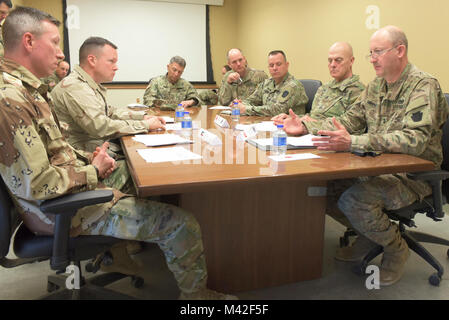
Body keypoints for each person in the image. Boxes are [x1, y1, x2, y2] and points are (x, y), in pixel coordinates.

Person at [0, 6, 236, 300]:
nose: (61, 53)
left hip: (67, 191)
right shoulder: (10, 99)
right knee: (182, 225)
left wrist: (90, 161)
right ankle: (196, 299)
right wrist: (93, 170)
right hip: (62, 210)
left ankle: (122, 252)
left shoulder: (27, 90)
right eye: (55, 42)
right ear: (28, 41)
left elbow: (55, 151)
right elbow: (39, 184)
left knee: (140, 178)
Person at [281, 26, 449, 286]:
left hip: (415, 174)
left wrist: (355, 142)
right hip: (376, 165)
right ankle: (370, 235)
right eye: (370, 53)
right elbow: (350, 120)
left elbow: (414, 140)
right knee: (323, 190)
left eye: (378, 52)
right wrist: (305, 126)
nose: (372, 59)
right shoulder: (375, 87)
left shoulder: (422, 85)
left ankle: (396, 248)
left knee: (355, 200)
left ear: (400, 51)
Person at [51, 37, 166, 160]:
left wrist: (142, 117)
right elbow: (100, 127)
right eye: (111, 61)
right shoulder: (75, 87)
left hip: (93, 148)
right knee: (144, 165)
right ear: (92, 60)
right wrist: (144, 125)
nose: (116, 67)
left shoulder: (87, 84)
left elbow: (109, 112)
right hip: (80, 158)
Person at [273, 42, 365, 123]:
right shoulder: (325, 88)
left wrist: (313, 123)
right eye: (330, 60)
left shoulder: (358, 90)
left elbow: (350, 124)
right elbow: (313, 116)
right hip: (311, 134)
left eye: (338, 60)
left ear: (351, 61)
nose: (332, 65)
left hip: (333, 139)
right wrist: (293, 118)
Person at [235, 50, 308, 117]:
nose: (275, 68)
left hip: (289, 127)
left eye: (278, 64)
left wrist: (246, 109)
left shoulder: (293, 85)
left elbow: (277, 110)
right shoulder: (266, 83)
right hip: (267, 124)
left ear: (287, 65)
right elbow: (250, 100)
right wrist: (240, 105)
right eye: (271, 65)